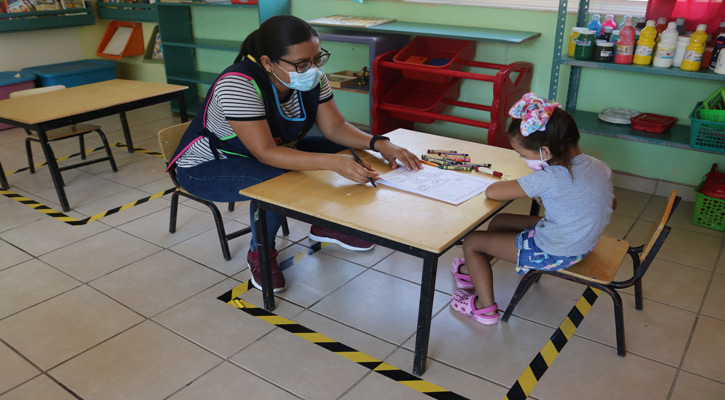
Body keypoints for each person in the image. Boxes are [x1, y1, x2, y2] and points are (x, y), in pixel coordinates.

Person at [166, 15, 421, 293]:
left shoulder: (311, 78)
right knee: (277, 178)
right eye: (301, 63)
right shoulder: (237, 84)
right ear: (267, 62)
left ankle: (322, 224)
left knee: (349, 150)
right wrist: (331, 163)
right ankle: (261, 253)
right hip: (207, 167)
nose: (312, 69)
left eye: (317, 59)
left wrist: (380, 143)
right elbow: (266, 153)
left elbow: (335, 127)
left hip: (266, 154)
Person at [449, 92, 615, 325]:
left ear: (545, 152)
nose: (522, 158)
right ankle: (471, 271)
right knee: (500, 221)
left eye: (522, 155)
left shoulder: (551, 177)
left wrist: (536, 184)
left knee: (472, 242)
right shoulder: (599, 166)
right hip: (583, 240)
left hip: (557, 252)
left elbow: (493, 192)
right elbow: (609, 203)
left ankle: (485, 308)